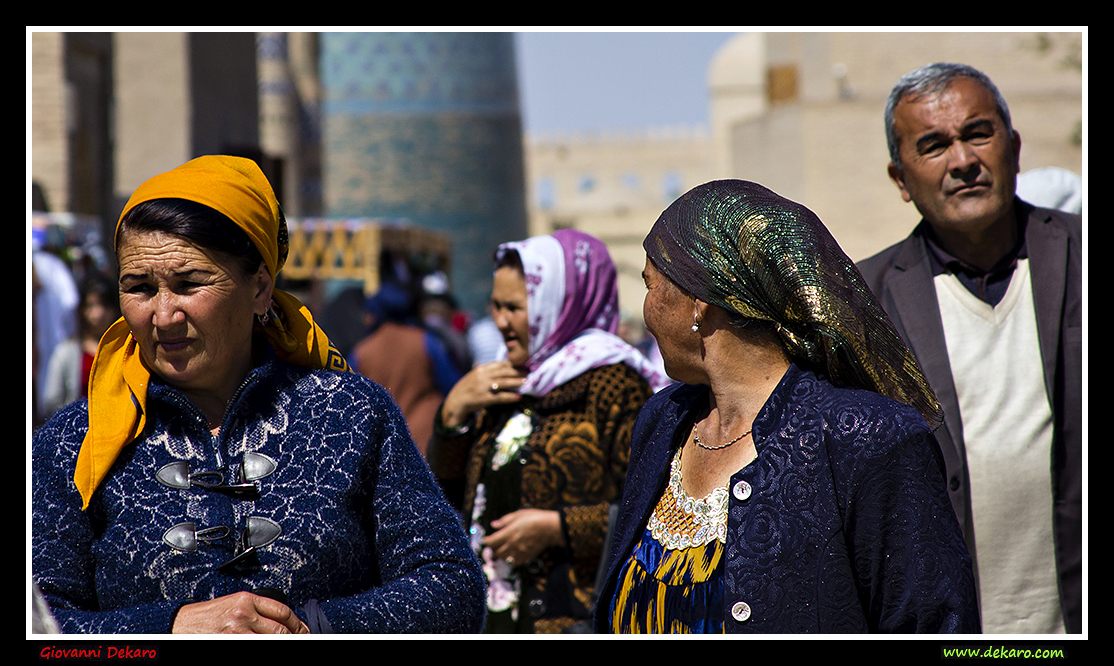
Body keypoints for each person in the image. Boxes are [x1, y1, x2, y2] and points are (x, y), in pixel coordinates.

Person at [32, 155, 485, 634]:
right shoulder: (72, 444)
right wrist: (170, 627)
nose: (163, 316)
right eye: (140, 288)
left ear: (260, 289)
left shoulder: (352, 415)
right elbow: (43, 622)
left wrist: (308, 625)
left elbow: (451, 587)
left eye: (189, 284)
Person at [594, 179, 979, 634]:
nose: (644, 308)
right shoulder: (663, 421)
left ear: (698, 300)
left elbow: (932, 622)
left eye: (650, 284)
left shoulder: (869, 440)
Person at [858, 63, 1082, 634]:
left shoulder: (1079, 259)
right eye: (933, 146)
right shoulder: (868, 306)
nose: (962, 161)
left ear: (1014, 146)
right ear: (900, 178)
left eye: (977, 134)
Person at [427, 229, 670, 633]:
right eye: (495, 306)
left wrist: (557, 528)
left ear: (557, 304)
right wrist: (453, 414)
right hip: (495, 615)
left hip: (572, 617)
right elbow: (453, 494)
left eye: (514, 308)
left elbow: (649, 513)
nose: (500, 322)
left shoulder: (613, 385)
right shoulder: (506, 381)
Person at [350, 282, 462, 455]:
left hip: (382, 447)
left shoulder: (362, 352)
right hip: (425, 442)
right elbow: (452, 388)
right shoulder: (425, 342)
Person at [42, 276, 121, 417]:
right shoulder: (66, 352)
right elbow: (51, 400)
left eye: (104, 305)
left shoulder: (125, 349)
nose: (98, 314)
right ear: (82, 310)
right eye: (91, 305)